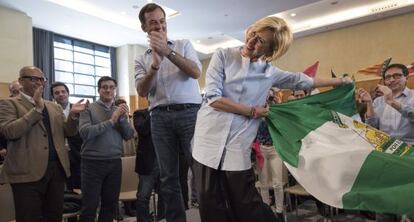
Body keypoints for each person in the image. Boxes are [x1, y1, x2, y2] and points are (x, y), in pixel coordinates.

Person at [191, 16, 352, 222]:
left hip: (236, 146)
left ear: (270, 52)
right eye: (254, 34)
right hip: (207, 143)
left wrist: (341, 81)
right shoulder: (222, 56)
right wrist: (252, 111)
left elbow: (303, 80)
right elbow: (213, 98)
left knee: (246, 205)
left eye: (260, 42)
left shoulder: (270, 73)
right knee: (210, 204)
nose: (251, 41)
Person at [134, 3, 202, 221]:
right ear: (144, 27)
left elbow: (195, 72)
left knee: (201, 171)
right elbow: (142, 91)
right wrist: (154, 65)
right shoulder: (141, 58)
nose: (160, 26)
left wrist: (168, 52)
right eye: (153, 22)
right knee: (168, 177)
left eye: (162, 21)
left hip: (190, 113)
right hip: (160, 118)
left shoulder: (183, 45)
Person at [0, 66, 88, 222]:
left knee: (53, 215)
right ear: (21, 81)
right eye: (33, 78)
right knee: (29, 216)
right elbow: (10, 131)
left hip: (56, 170)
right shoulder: (9, 104)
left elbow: (68, 132)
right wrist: (37, 110)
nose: (38, 82)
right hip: (27, 172)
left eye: (42, 79)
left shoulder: (53, 106)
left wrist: (73, 116)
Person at [357, 63, 414, 222]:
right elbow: (372, 128)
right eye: (388, 77)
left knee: (408, 204)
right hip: (386, 154)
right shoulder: (378, 102)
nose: (392, 80)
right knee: (384, 201)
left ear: (406, 78)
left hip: (409, 155)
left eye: (397, 76)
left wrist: (391, 101)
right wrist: (369, 103)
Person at [79, 76, 135, 222]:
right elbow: (85, 133)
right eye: (104, 87)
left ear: (115, 91)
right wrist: (111, 120)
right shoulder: (88, 108)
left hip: (114, 162)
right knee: (90, 207)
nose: (108, 90)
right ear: (99, 90)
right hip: (92, 163)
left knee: (109, 206)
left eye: (111, 87)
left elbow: (129, 135)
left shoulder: (119, 110)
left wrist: (122, 119)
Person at [254, 89, 286, 221]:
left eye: (270, 96)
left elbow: (282, 125)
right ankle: (266, 212)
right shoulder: (255, 108)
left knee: (278, 183)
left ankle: (279, 212)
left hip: (275, 148)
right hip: (260, 149)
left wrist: (277, 106)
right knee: (264, 184)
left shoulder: (276, 109)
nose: (267, 98)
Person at [51, 81, 83, 190]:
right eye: (57, 93)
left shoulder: (79, 109)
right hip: (58, 154)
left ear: (68, 93)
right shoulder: (50, 112)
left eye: (63, 92)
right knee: (62, 186)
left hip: (78, 152)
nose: (60, 94)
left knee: (80, 184)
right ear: (53, 96)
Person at [133, 108, 165, 222]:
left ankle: (162, 219)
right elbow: (143, 129)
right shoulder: (139, 113)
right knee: (143, 196)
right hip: (148, 162)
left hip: (165, 160)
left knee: (165, 195)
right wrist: (153, 111)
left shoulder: (166, 113)